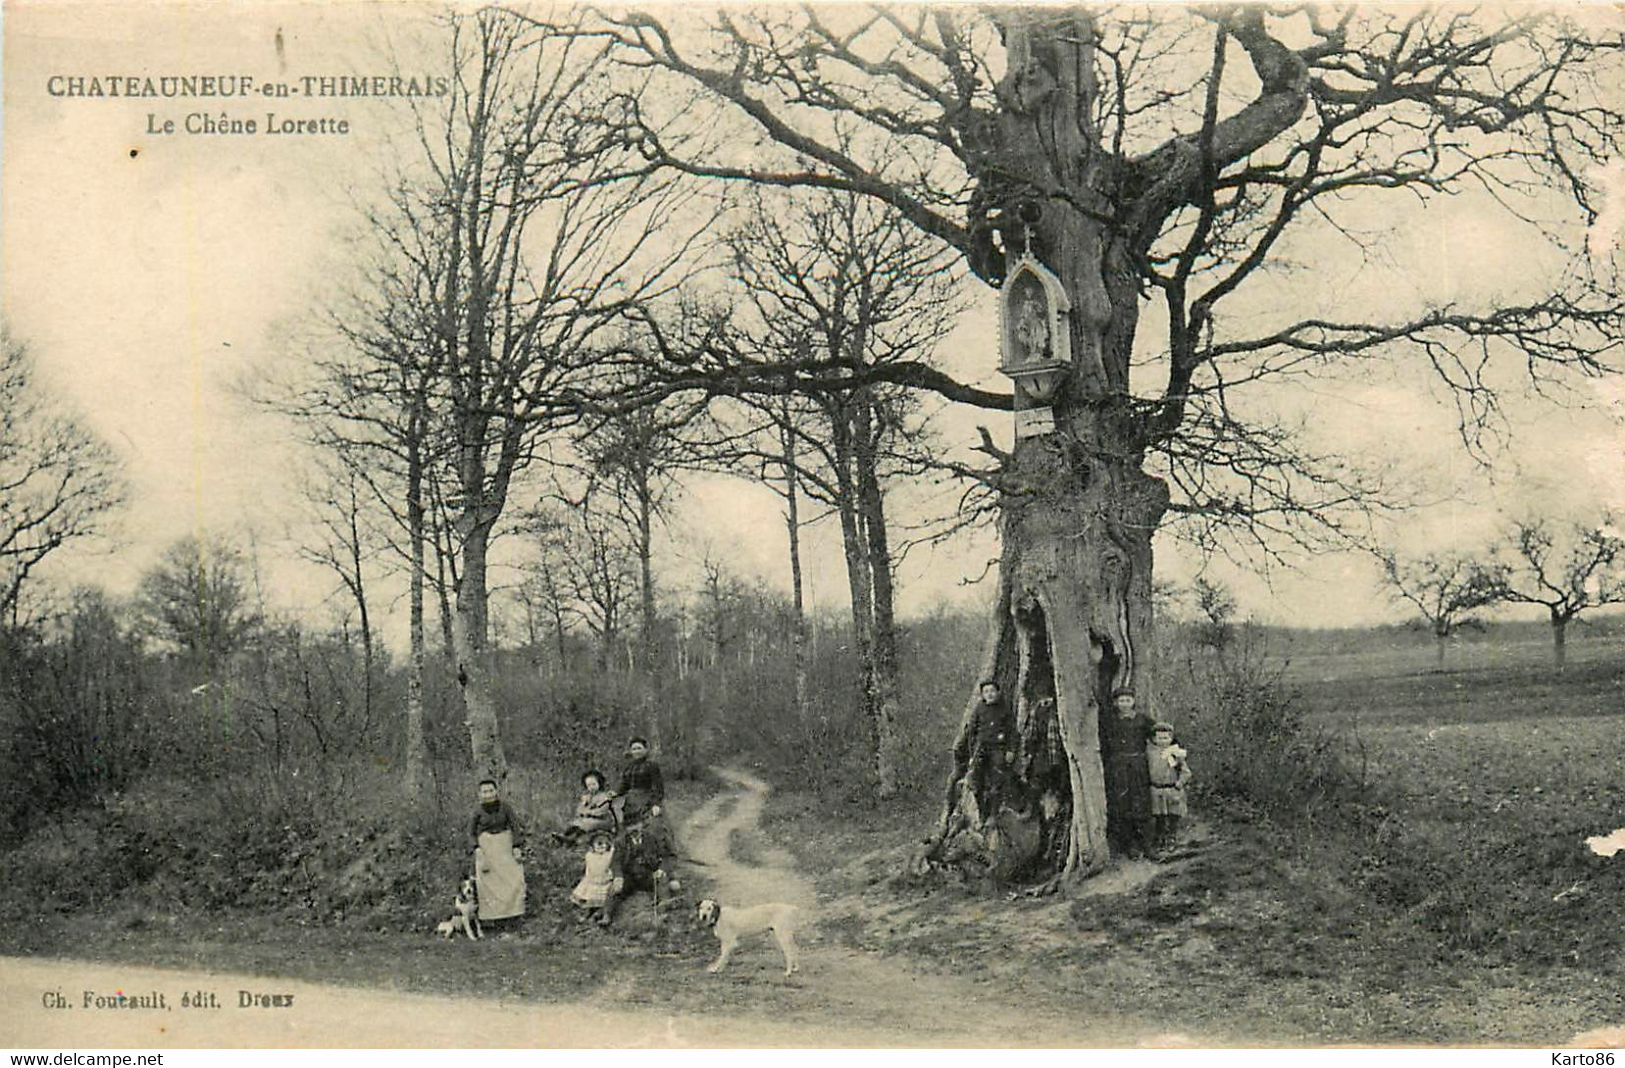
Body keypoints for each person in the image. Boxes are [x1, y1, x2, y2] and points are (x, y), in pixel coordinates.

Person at [469, 778, 526, 924]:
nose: (488, 794)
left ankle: (513, 916)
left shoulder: (505, 807)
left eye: (490, 791)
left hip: (504, 846)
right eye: (484, 792)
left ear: (496, 791)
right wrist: (477, 848)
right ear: (479, 794)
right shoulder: (477, 811)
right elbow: (470, 833)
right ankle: (493, 919)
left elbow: (515, 826)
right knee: (488, 881)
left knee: (513, 877)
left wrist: (516, 846)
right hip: (486, 848)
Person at [1145, 722, 1192, 858]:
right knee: (1159, 816)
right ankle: (1160, 838)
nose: (1163, 741)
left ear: (1171, 738)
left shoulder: (1174, 753)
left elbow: (1186, 772)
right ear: (1154, 739)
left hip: (1172, 789)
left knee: (1173, 815)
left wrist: (1180, 782)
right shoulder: (1149, 752)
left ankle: (1172, 837)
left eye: (1166, 738)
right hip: (1156, 789)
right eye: (1159, 738)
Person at [613, 737, 665, 826]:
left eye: (639, 748)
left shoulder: (652, 766)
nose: (636, 751)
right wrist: (615, 792)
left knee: (648, 827)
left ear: (645, 750)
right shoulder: (629, 767)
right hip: (631, 802)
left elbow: (658, 787)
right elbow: (624, 785)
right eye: (634, 749)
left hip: (647, 800)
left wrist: (656, 804)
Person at [570, 831, 621, 924]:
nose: (601, 846)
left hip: (604, 882)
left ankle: (598, 914)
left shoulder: (608, 856)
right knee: (588, 896)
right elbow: (588, 869)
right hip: (592, 881)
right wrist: (586, 880)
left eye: (605, 844)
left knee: (605, 898)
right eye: (598, 843)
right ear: (592, 846)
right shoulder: (590, 856)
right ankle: (587, 913)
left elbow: (614, 855)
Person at [555, 769, 616, 845]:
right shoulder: (588, 797)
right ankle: (565, 836)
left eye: (593, 784)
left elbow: (602, 810)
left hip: (604, 821)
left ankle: (571, 839)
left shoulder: (604, 796)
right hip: (590, 819)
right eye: (589, 785)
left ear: (599, 783)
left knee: (586, 823)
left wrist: (589, 813)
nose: (591, 787)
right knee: (577, 822)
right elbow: (579, 811)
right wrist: (584, 805)